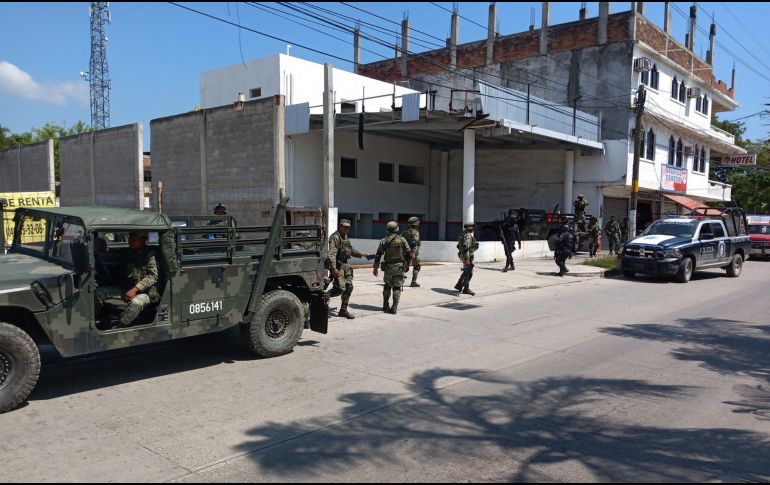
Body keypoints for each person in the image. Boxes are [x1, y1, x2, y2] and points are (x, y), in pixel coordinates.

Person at [95, 230, 160, 327]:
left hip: (145, 292)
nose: (130, 241)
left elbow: (153, 276)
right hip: (126, 289)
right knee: (98, 293)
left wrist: (135, 289)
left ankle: (119, 328)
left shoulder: (150, 254)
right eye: (130, 238)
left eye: (134, 239)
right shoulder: (127, 252)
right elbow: (110, 257)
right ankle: (99, 322)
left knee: (136, 303)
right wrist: (96, 254)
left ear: (144, 240)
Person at [328, 219, 370, 319]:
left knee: (349, 287)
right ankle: (322, 299)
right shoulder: (335, 237)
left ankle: (343, 310)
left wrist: (362, 254)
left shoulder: (345, 237)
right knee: (339, 289)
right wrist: (333, 268)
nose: (347, 229)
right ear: (340, 227)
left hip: (345, 265)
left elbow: (351, 251)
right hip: (338, 265)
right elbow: (332, 254)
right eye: (345, 227)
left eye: (348, 228)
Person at [373, 221, 412, 315]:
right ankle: (394, 307)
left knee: (387, 286)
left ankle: (385, 305)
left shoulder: (384, 240)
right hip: (400, 267)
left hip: (388, 267)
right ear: (396, 229)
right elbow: (408, 253)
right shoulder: (402, 239)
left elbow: (378, 255)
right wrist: (407, 265)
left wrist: (375, 268)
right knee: (397, 287)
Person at [454, 222, 479, 296]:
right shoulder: (467, 235)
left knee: (466, 271)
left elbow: (459, 246)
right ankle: (465, 289)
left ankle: (459, 286)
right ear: (469, 227)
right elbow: (466, 248)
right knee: (469, 273)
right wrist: (467, 259)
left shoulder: (463, 234)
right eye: (472, 227)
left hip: (463, 255)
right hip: (466, 256)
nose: (473, 229)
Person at [401, 217, 422, 287]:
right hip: (412, 253)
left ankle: (399, 281)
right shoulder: (415, 232)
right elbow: (414, 243)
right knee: (417, 266)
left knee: (404, 267)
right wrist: (413, 253)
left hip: (404, 252)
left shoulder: (404, 232)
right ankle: (413, 282)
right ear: (416, 224)